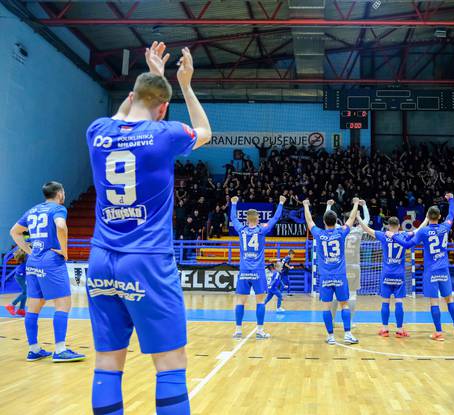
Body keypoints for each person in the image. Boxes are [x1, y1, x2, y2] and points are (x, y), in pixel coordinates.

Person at [85, 42, 212, 415]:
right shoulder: (165, 134)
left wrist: (153, 77)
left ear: (132, 95)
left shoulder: (97, 132)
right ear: (164, 108)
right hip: (147, 261)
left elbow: (127, 111)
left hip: (100, 260)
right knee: (171, 364)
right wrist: (185, 84)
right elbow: (204, 130)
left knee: (107, 362)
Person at [10, 182, 85, 363]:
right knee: (63, 305)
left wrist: (29, 251)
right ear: (59, 194)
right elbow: (61, 227)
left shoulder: (33, 210)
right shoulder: (58, 209)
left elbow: (15, 232)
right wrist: (65, 251)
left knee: (33, 307)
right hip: (51, 262)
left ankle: (33, 349)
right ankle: (60, 350)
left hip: (33, 263)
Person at [393, 193, 454, 341]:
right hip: (443, 268)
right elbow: (451, 214)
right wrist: (451, 199)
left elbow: (407, 245)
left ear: (428, 216)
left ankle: (439, 332)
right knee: (449, 299)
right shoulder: (445, 227)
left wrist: (393, 236)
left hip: (431, 270)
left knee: (434, 301)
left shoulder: (424, 231)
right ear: (439, 217)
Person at [303, 198, 360, 345]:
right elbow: (352, 218)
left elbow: (309, 221)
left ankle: (330, 336)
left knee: (326, 307)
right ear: (336, 221)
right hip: (340, 276)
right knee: (345, 305)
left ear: (324, 221)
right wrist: (355, 204)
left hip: (325, 276)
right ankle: (347, 334)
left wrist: (306, 206)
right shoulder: (341, 232)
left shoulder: (319, 234)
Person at [231, 195, 285, 339]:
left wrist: (234, 204)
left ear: (247, 219)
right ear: (258, 219)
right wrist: (280, 203)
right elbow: (275, 218)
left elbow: (233, 219)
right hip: (258, 270)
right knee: (260, 301)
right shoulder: (262, 229)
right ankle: (260, 331)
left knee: (240, 301)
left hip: (244, 270)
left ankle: (237, 330)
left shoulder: (241, 229)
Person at [358, 216, 410, 338]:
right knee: (399, 301)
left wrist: (358, 217)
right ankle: (399, 330)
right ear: (399, 226)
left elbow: (366, 229)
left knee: (385, 302)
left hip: (386, 273)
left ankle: (385, 329)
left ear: (388, 226)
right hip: (399, 274)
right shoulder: (404, 236)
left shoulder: (383, 235)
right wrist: (426, 219)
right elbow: (418, 230)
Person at [328, 198, 370, 326]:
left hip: (339, 266)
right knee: (352, 295)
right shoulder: (358, 230)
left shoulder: (340, 230)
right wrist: (364, 206)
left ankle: (333, 320)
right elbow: (366, 220)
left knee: (335, 295)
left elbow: (328, 220)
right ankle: (350, 321)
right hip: (354, 266)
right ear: (356, 220)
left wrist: (329, 206)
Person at [5, 248, 28, 317]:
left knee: (25, 292)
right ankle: (11, 305)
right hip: (20, 276)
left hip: (21, 275)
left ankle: (21, 310)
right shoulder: (27, 256)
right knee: (26, 292)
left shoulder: (26, 256)